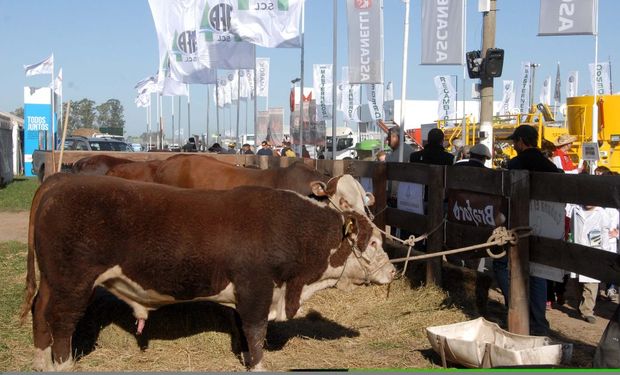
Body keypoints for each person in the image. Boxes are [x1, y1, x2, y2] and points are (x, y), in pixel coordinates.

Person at [502, 124, 560, 336]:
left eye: (515, 142)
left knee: (514, 268)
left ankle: (519, 316)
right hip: (545, 222)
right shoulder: (550, 166)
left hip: (520, 221)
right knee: (539, 274)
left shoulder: (516, 163)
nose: (514, 146)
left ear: (522, 141)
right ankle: (539, 322)